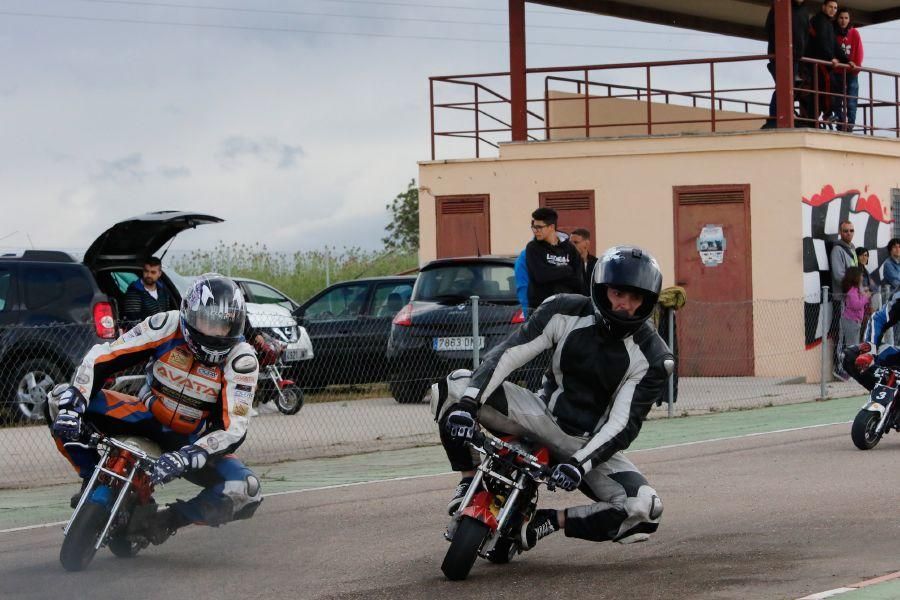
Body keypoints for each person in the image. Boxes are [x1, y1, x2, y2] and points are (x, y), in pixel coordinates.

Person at [434, 246, 674, 550]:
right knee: (454, 386)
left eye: (635, 298)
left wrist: (579, 465)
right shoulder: (562, 309)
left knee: (645, 509)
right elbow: (509, 353)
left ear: (647, 302)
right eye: (617, 293)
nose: (624, 305)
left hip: (589, 443)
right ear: (600, 289)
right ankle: (469, 478)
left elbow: (622, 425)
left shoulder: (655, 357)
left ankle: (549, 520)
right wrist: (468, 406)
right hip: (539, 413)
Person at [48, 273, 262, 544]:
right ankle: (92, 478)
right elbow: (103, 355)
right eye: (208, 321)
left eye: (224, 324)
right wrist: (76, 400)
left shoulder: (242, 358)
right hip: (143, 413)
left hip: (190, 441)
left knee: (246, 490)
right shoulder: (166, 324)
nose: (215, 332)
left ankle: (166, 521)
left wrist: (191, 455)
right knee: (59, 399)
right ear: (189, 313)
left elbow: (235, 426)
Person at [524, 207, 583, 311]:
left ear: (551, 227)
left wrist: (552, 272)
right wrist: (566, 270)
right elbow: (540, 275)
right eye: (533, 227)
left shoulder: (570, 249)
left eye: (539, 227)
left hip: (567, 308)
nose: (535, 231)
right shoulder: (533, 248)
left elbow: (578, 280)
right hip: (540, 308)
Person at [762, 0, 809, 129]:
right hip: (781, 56)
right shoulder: (780, 6)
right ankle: (774, 117)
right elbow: (770, 29)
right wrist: (780, 51)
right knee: (783, 86)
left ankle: (785, 115)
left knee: (789, 87)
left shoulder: (804, 11)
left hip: (796, 58)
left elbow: (805, 33)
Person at [803, 0, 846, 125]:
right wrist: (830, 58)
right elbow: (821, 42)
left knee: (822, 90)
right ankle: (825, 116)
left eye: (835, 8)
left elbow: (834, 44)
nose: (833, 10)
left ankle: (819, 117)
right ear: (823, 7)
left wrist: (847, 61)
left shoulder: (828, 23)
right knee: (827, 85)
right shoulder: (820, 21)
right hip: (817, 61)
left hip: (822, 62)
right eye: (830, 7)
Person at [835, 266, 869, 380]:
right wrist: (865, 298)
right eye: (860, 275)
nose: (862, 277)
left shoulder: (856, 289)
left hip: (855, 321)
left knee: (854, 347)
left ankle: (849, 372)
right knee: (852, 348)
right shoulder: (851, 291)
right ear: (855, 277)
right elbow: (856, 305)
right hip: (850, 321)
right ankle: (845, 371)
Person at [833, 7, 863, 132]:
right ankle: (840, 123)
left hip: (852, 72)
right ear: (837, 18)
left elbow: (859, 51)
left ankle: (850, 124)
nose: (843, 21)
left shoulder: (854, 33)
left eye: (846, 18)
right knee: (836, 99)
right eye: (841, 18)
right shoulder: (833, 32)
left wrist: (856, 66)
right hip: (837, 72)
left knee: (851, 100)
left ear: (849, 19)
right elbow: (831, 49)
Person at [122, 256, 174, 326]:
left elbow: (168, 313)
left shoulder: (163, 290)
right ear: (143, 271)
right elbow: (133, 322)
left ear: (159, 274)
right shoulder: (134, 292)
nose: (149, 275)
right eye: (146, 271)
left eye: (153, 272)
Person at [569, 228, 598, 294]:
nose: (571, 246)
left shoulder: (596, 263)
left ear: (587, 244)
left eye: (576, 242)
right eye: (570, 243)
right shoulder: (566, 263)